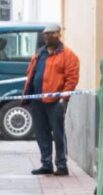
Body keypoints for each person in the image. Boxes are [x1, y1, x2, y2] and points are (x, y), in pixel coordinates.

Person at [22, 23, 80, 176]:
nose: (46, 37)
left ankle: (61, 165)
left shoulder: (68, 55)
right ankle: (46, 164)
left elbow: (72, 78)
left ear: (58, 35)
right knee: (41, 133)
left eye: (50, 34)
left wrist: (64, 97)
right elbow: (31, 74)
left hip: (55, 101)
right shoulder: (39, 54)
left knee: (58, 133)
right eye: (45, 34)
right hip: (37, 100)